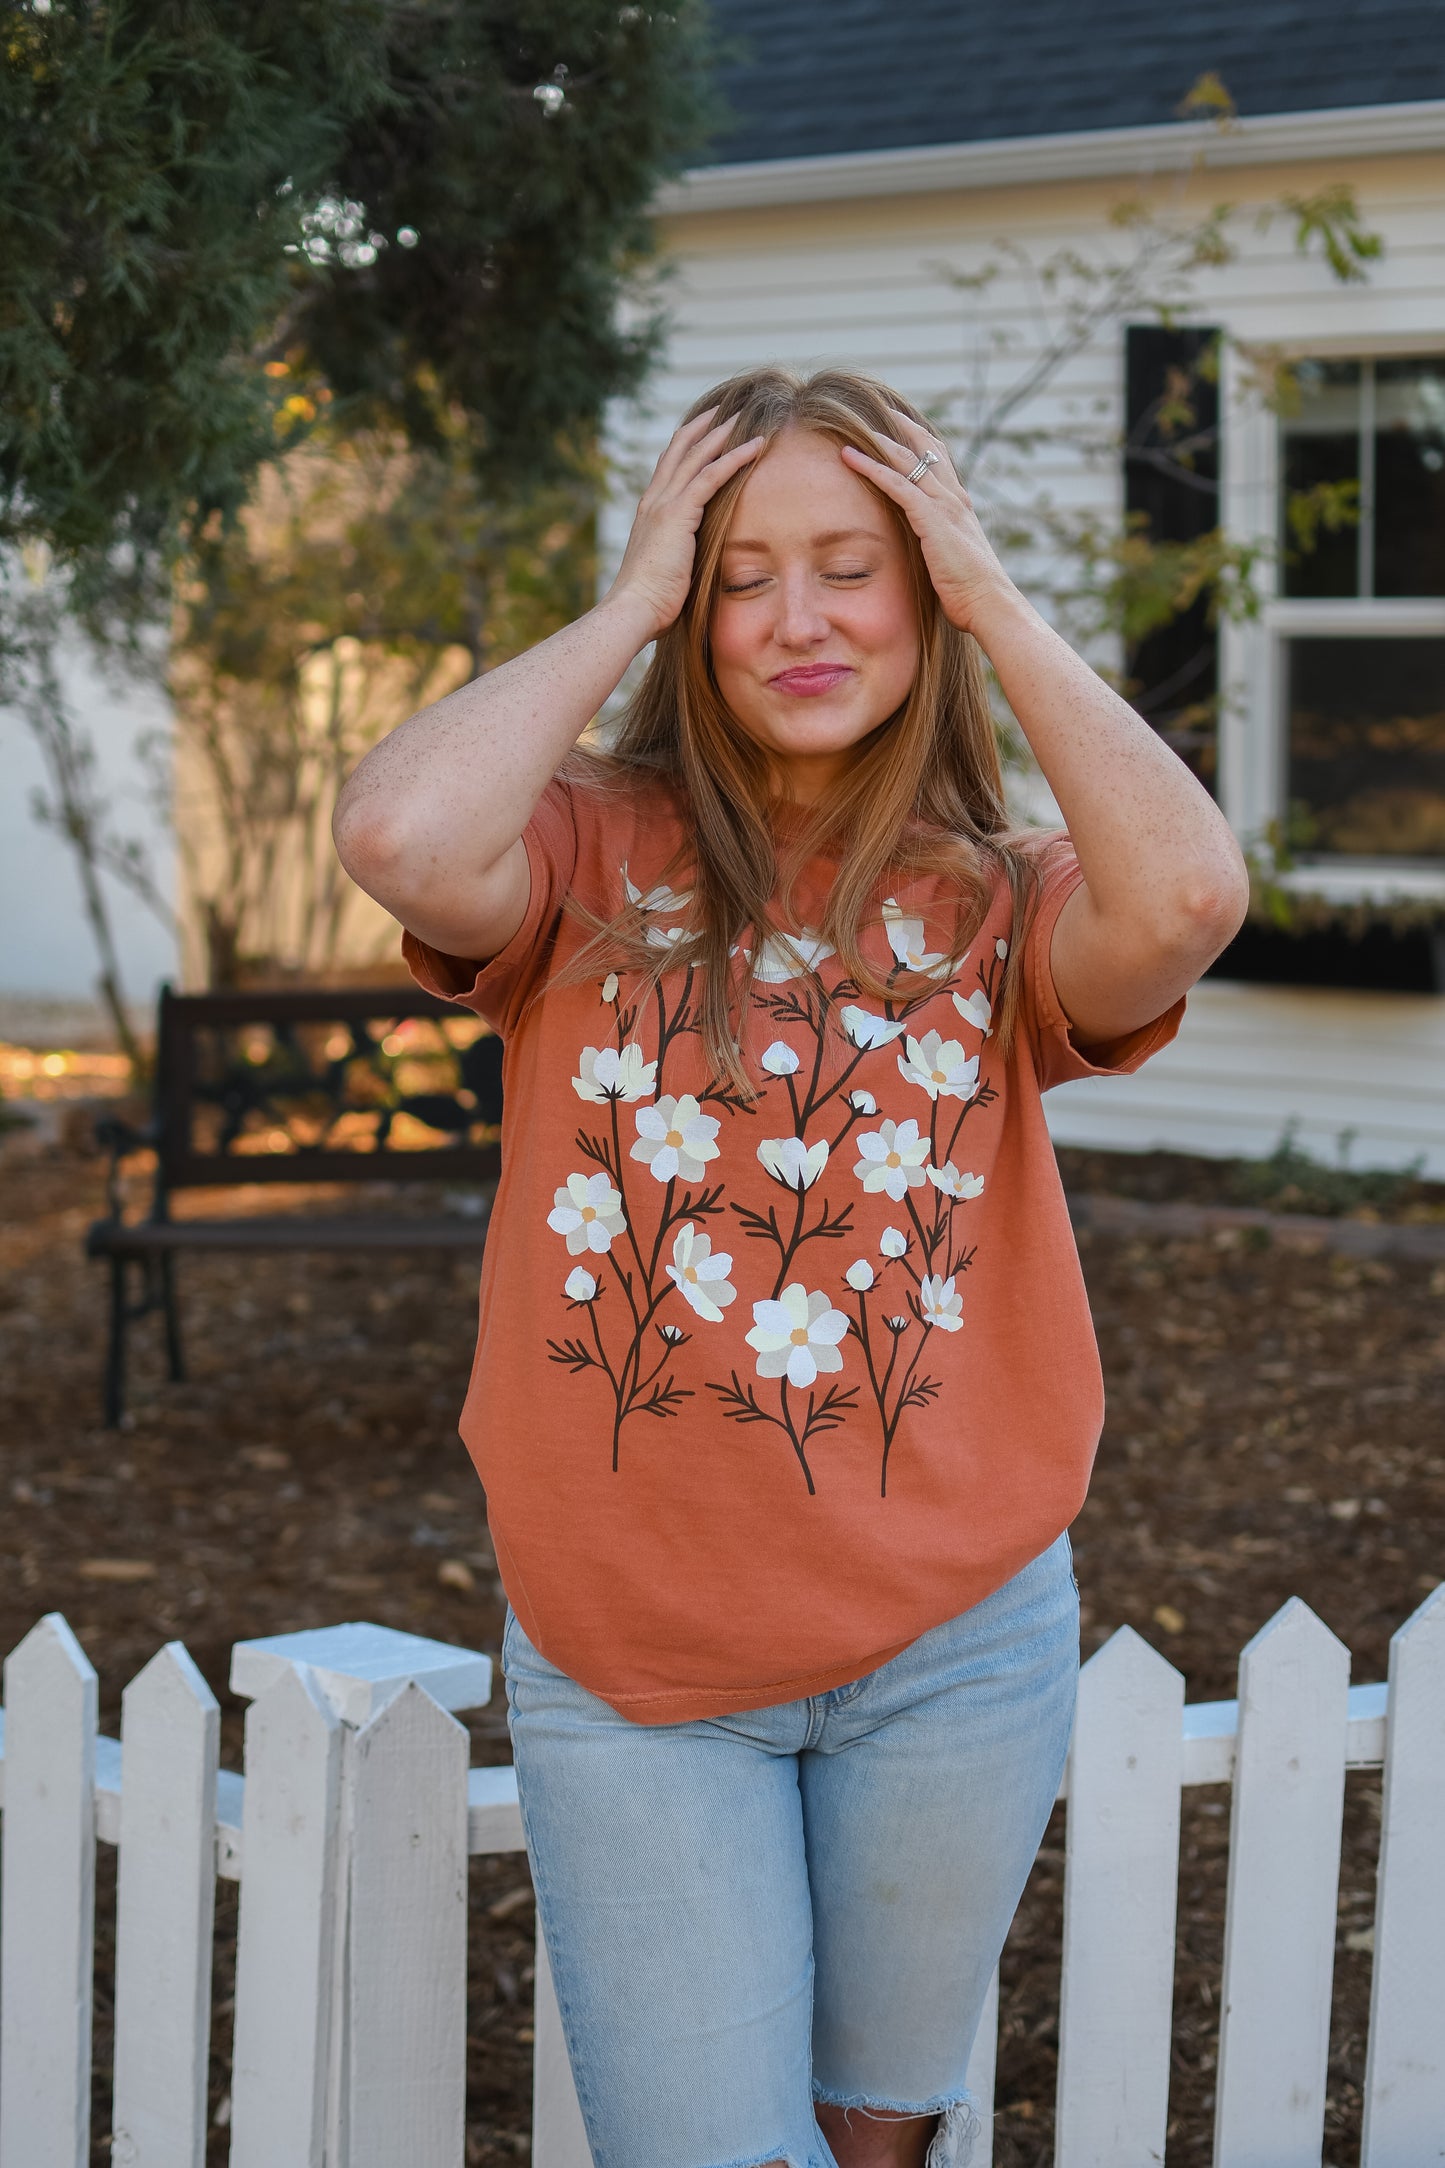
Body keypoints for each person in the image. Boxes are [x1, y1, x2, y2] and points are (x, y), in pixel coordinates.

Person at [333, 367, 1248, 2168]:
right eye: (738, 572)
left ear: (922, 587)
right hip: (638, 1659)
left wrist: (993, 596)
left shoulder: (1004, 898)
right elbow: (396, 839)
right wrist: (620, 603)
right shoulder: (584, 855)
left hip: (955, 1644)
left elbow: (1194, 899)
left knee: (876, 2135)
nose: (795, 618)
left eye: (851, 564)